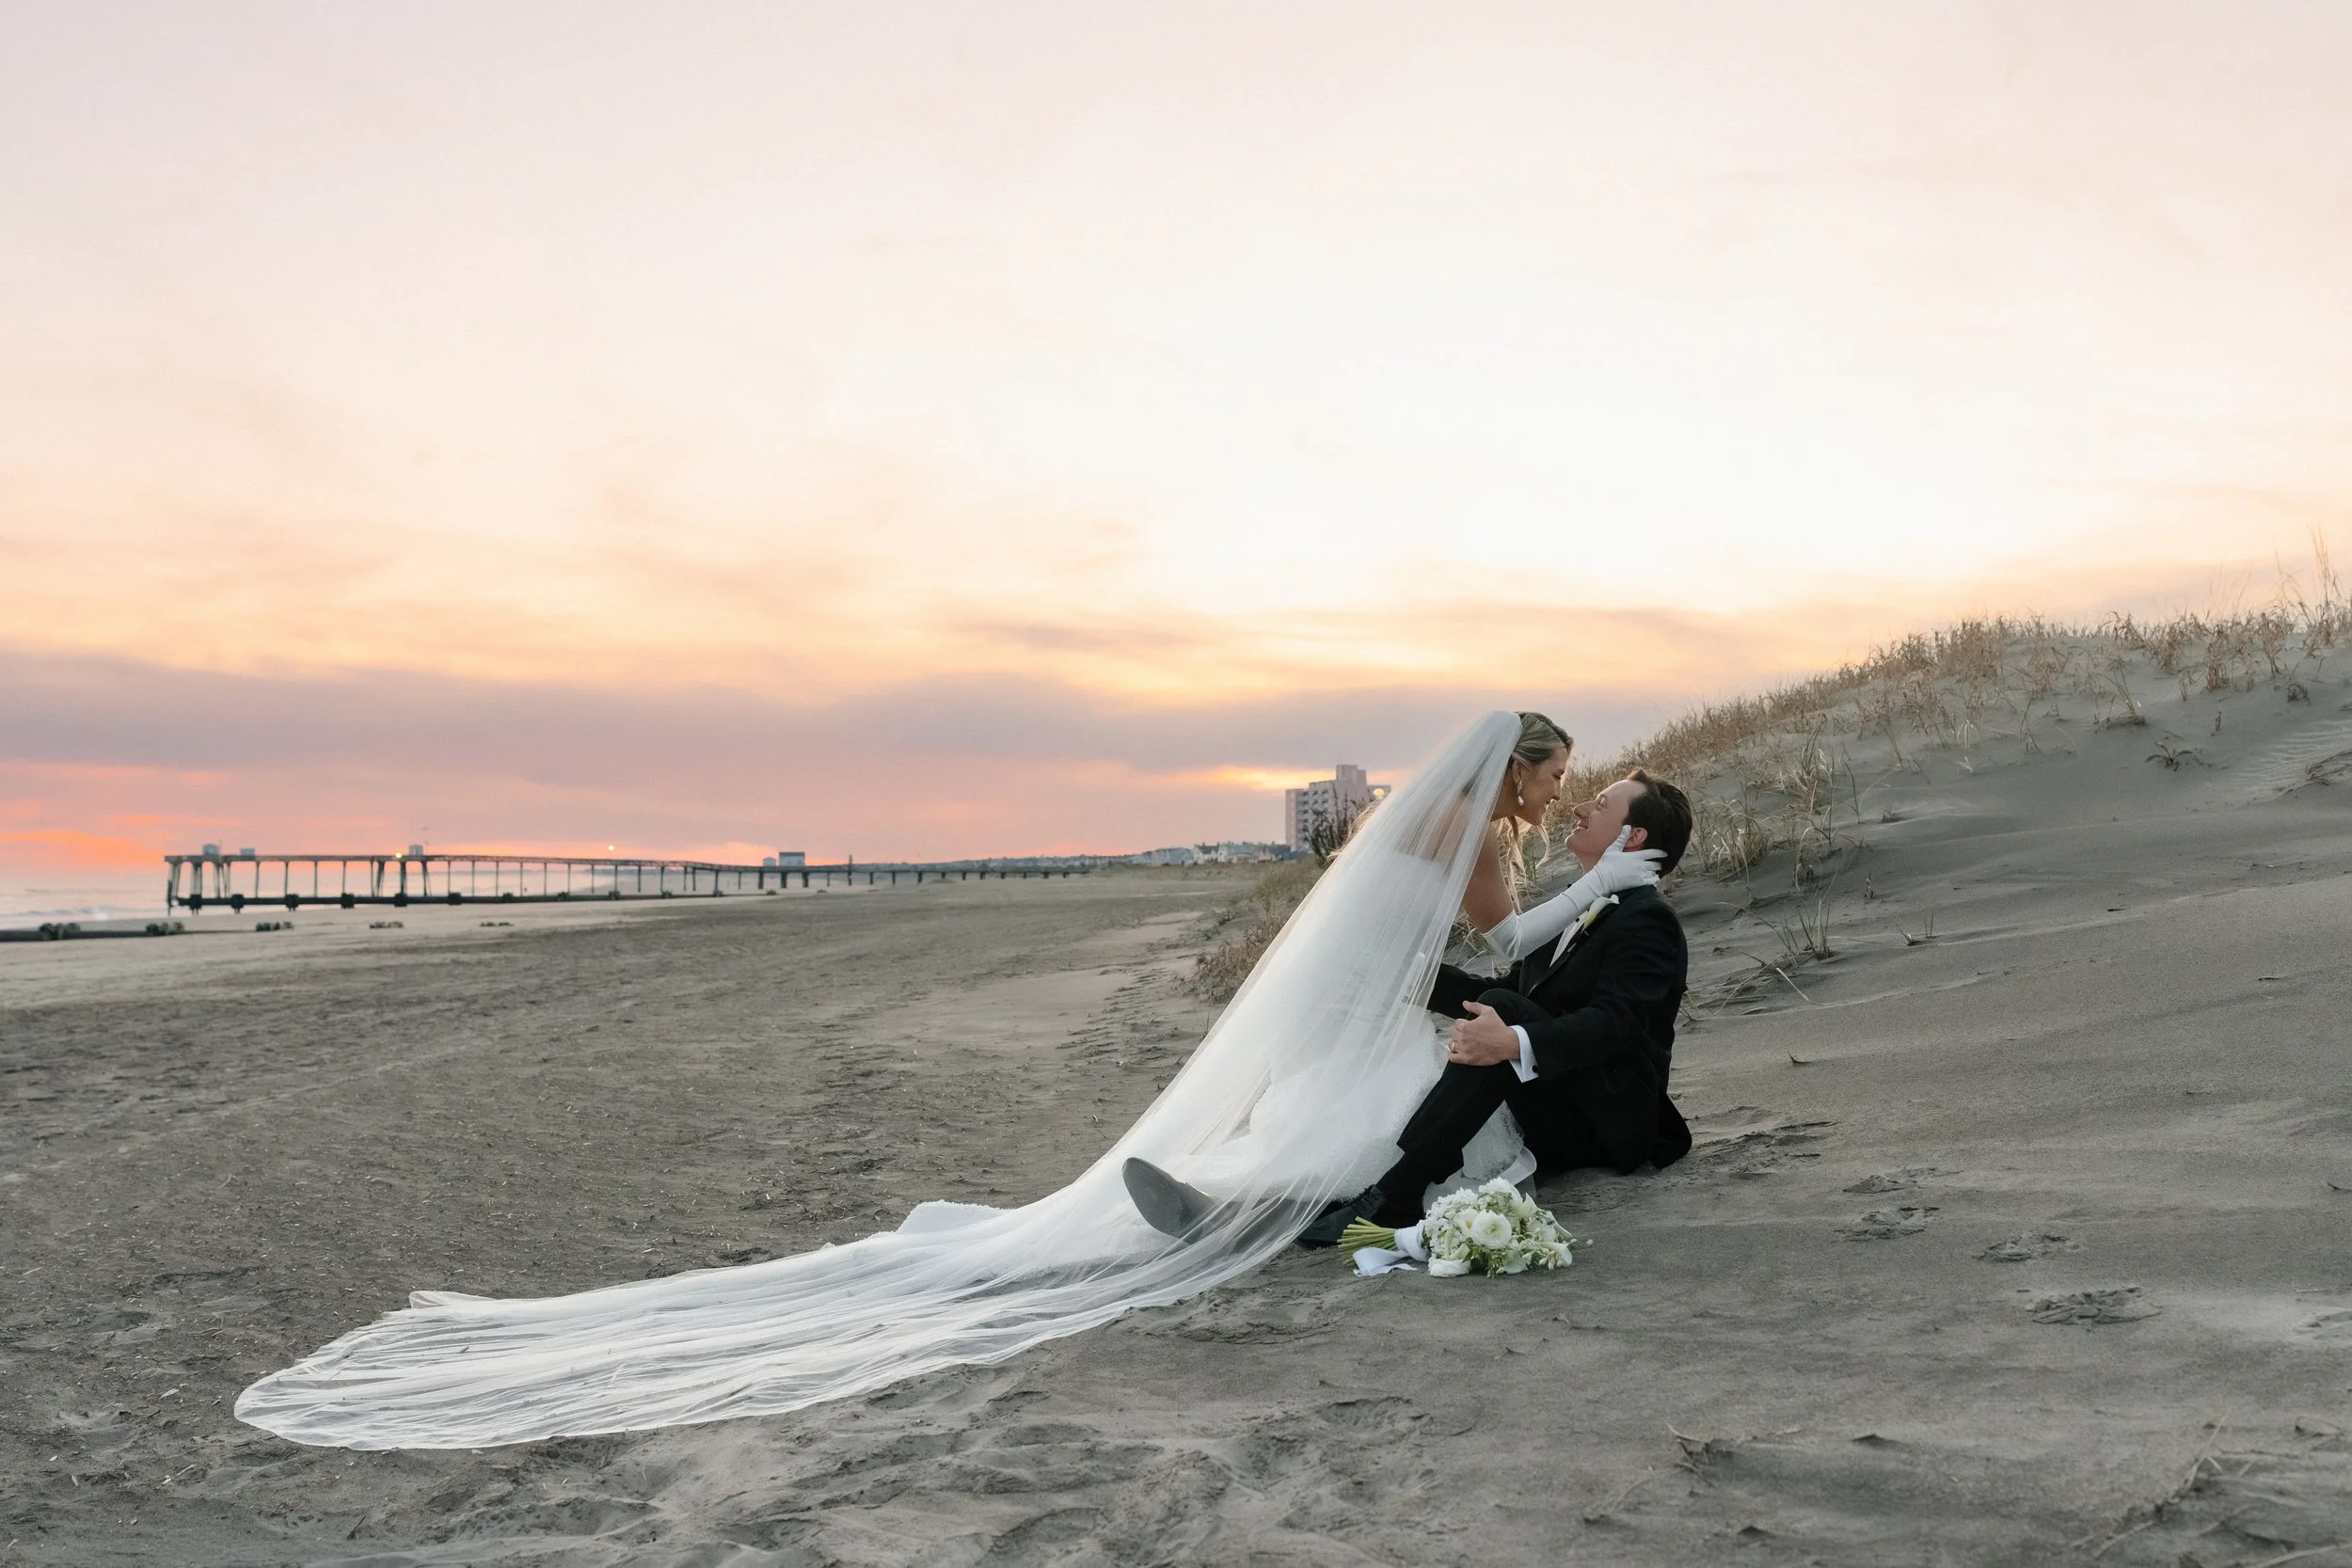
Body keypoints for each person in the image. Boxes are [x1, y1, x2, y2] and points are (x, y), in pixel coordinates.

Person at [1122, 715, 1664, 1241]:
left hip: (1359, 985)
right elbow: (1512, 940)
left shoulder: (1445, 812)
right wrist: (1593, 888)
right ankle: (1256, 1215)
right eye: (1557, 774)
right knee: (1385, 1108)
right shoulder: (1463, 823)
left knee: (1339, 1109)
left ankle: (1250, 1211)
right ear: (1519, 770)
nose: (1559, 791)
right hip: (1368, 993)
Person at [1295, 767, 1694, 1245]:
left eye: (1602, 805)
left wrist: (1513, 1040)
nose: (1581, 807)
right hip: (1558, 1100)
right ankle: (1388, 1186)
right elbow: (1508, 992)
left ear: (1634, 837)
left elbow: (1616, 1023)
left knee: (1504, 1010)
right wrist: (1407, 974)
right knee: (1499, 1002)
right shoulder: (1580, 906)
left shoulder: (1648, 919)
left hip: (1609, 1121)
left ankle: (1396, 1195)